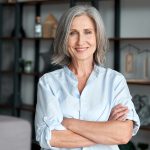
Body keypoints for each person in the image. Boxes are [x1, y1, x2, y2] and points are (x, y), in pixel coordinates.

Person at [35, 5, 140, 150]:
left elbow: (123, 134)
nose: (80, 41)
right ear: (64, 38)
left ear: (98, 36)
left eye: (88, 32)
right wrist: (106, 130)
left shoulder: (115, 81)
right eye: (72, 33)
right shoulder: (48, 83)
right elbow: (48, 137)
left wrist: (69, 123)